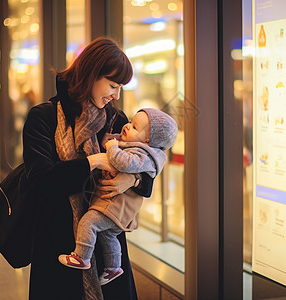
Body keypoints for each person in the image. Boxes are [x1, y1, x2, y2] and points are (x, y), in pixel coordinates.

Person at [22, 37, 154, 300]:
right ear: (91, 75)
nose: (116, 95)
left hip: (109, 255)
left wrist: (132, 180)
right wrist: (93, 162)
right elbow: (41, 182)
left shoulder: (117, 120)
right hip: (59, 247)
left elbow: (148, 170)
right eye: (113, 85)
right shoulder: (44, 118)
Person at [58, 108, 178, 285]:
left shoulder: (144, 154)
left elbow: (124, 162)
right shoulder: (136, 145)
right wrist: (113, 141)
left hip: (115, 205)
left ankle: (81, 257)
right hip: (114, 205)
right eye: (130, 122)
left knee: (88, 222)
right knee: (108, 236)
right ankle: (114, 267)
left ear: (147, 140)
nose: (127, 126)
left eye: (134, 127)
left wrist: (113, 148)